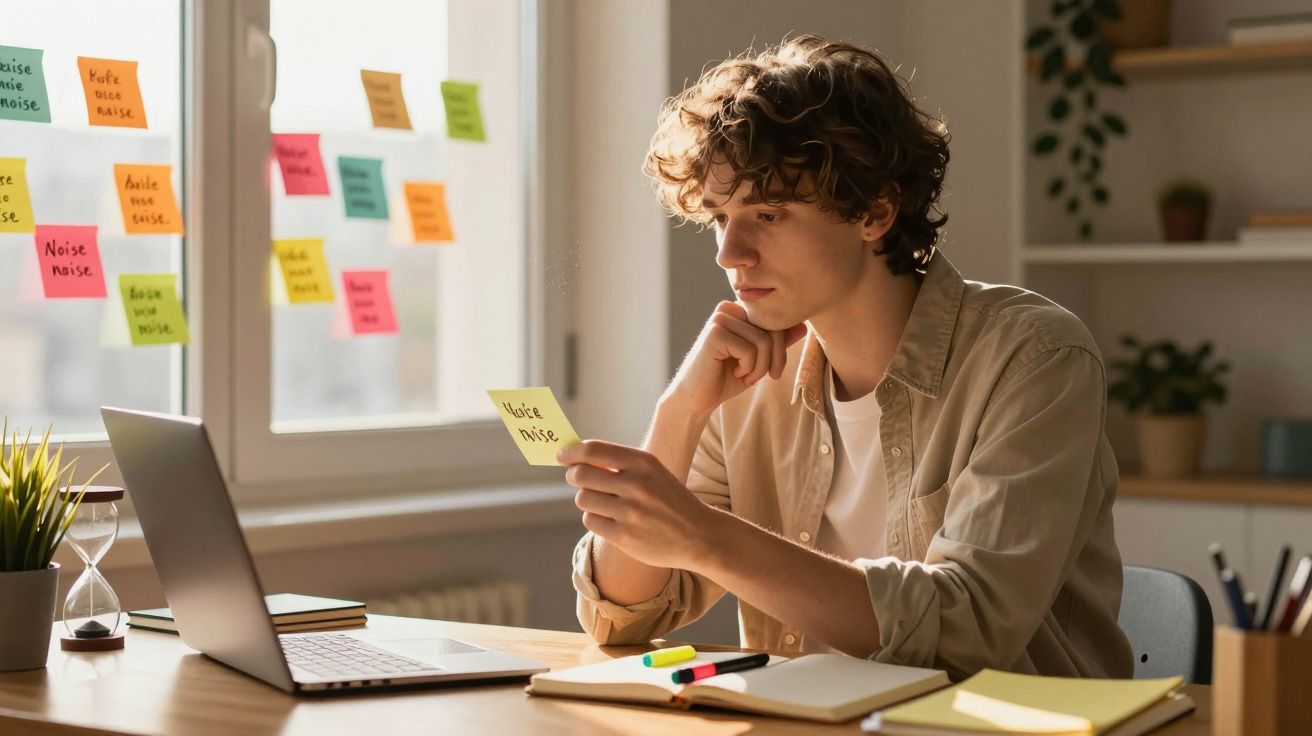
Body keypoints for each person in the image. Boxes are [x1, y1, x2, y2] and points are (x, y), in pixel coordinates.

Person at [559, 34, 1132, 680]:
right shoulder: (744, 386)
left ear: (875, 211)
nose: (729, 253)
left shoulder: (1033, 359)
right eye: (720, 217)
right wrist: (680, 410)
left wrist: (706, 537)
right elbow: (623, 615)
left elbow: (967, 629)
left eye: (767, 214)